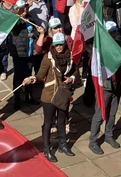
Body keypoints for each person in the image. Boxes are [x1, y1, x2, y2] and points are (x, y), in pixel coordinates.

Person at [24, 33, 80, 162]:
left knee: (61, 121)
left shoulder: (70, 56)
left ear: (64, 44)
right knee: (48, 123)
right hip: (49, 95)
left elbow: (75, 72)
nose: (58, 47)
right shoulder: (48, 58)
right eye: (56, 45)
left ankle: (62, 145)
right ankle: (47, 149)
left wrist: (71, 78)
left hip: (63, 93)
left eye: (60, 44)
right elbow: (39, 75)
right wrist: (31, 79)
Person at [88, 23, 121, 155]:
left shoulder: (117, 45)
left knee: (113, 113)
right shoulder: (99, 49)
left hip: (116, 86)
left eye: (115, 31)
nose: (113, 34)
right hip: (104, 87)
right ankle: (93, 141)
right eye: (111, 32)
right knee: (99, 115)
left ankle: (109, 136)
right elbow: (92, 65)